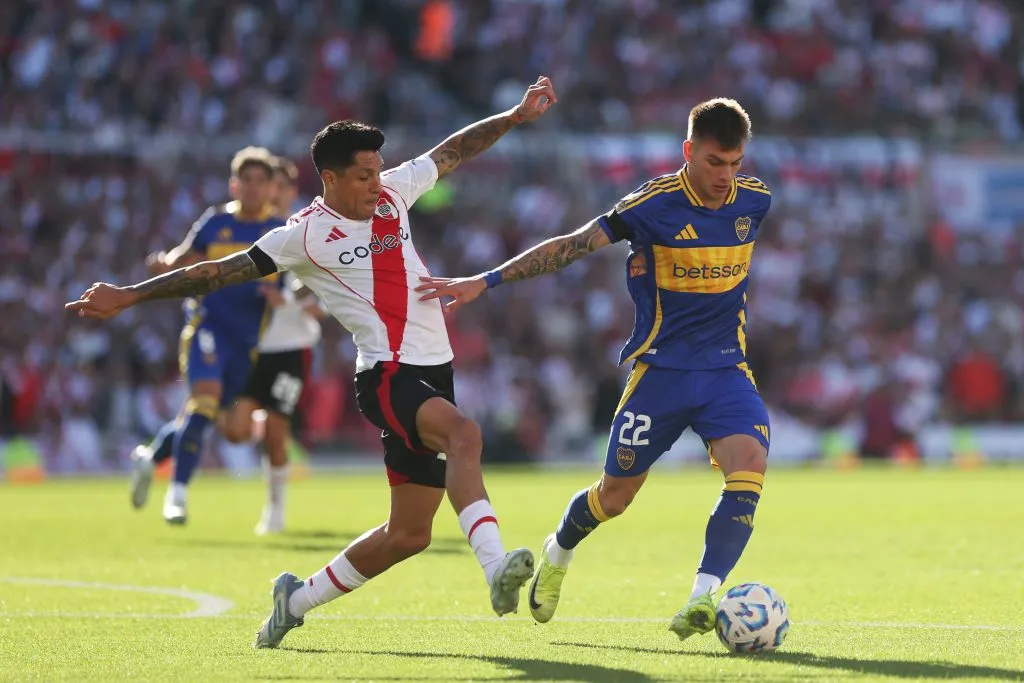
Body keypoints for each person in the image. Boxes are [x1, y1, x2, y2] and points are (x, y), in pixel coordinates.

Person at [65, 76, 559, 648]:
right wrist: (131, 293)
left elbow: (453, 150)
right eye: (363, 175)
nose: (377, 183)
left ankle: (294, 599)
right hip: (386, 375)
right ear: (329, 178)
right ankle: (496, 567)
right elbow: (212, 273)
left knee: (408, 535)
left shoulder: (395, 192)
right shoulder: (301, 237)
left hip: (433, 369)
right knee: (465, 435)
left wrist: (516, 115)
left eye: (378, 170)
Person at [416, 98, 772, 643]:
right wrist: (485, 281)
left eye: (734, 162)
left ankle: (703, 597)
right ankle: (558, 551)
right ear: (688, 152)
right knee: (615, 497)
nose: (726, 176)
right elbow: (571, 247)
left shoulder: (755, 201)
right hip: (661, 374)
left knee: (748, 465)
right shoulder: (652, 205)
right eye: (714, 162)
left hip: (726, 369)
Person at [128, 146, 281, 525]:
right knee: (205, 402)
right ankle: (177, 496)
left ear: (270, 187)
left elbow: (296, 285)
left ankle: (150, 457)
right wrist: (164, 264)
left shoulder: (279, 231)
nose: (253, 188)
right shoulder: (214, 223)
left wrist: (283, 298)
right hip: (207, 327)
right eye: (246, 180)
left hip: (247, 342)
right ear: (234, 185)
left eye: (261, 181)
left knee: (214, 419)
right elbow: (182, 259)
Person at [225, 156, 328, 536]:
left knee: (276, 431)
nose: (278, 194)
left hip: (291, 348)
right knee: (234, 430)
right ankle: (257, 422)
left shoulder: (306, 234)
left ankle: (275, 510)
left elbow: (322, 302)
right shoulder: (254, 232)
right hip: (251, 348)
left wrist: (287, 300)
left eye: (284, 188)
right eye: (274, 187)